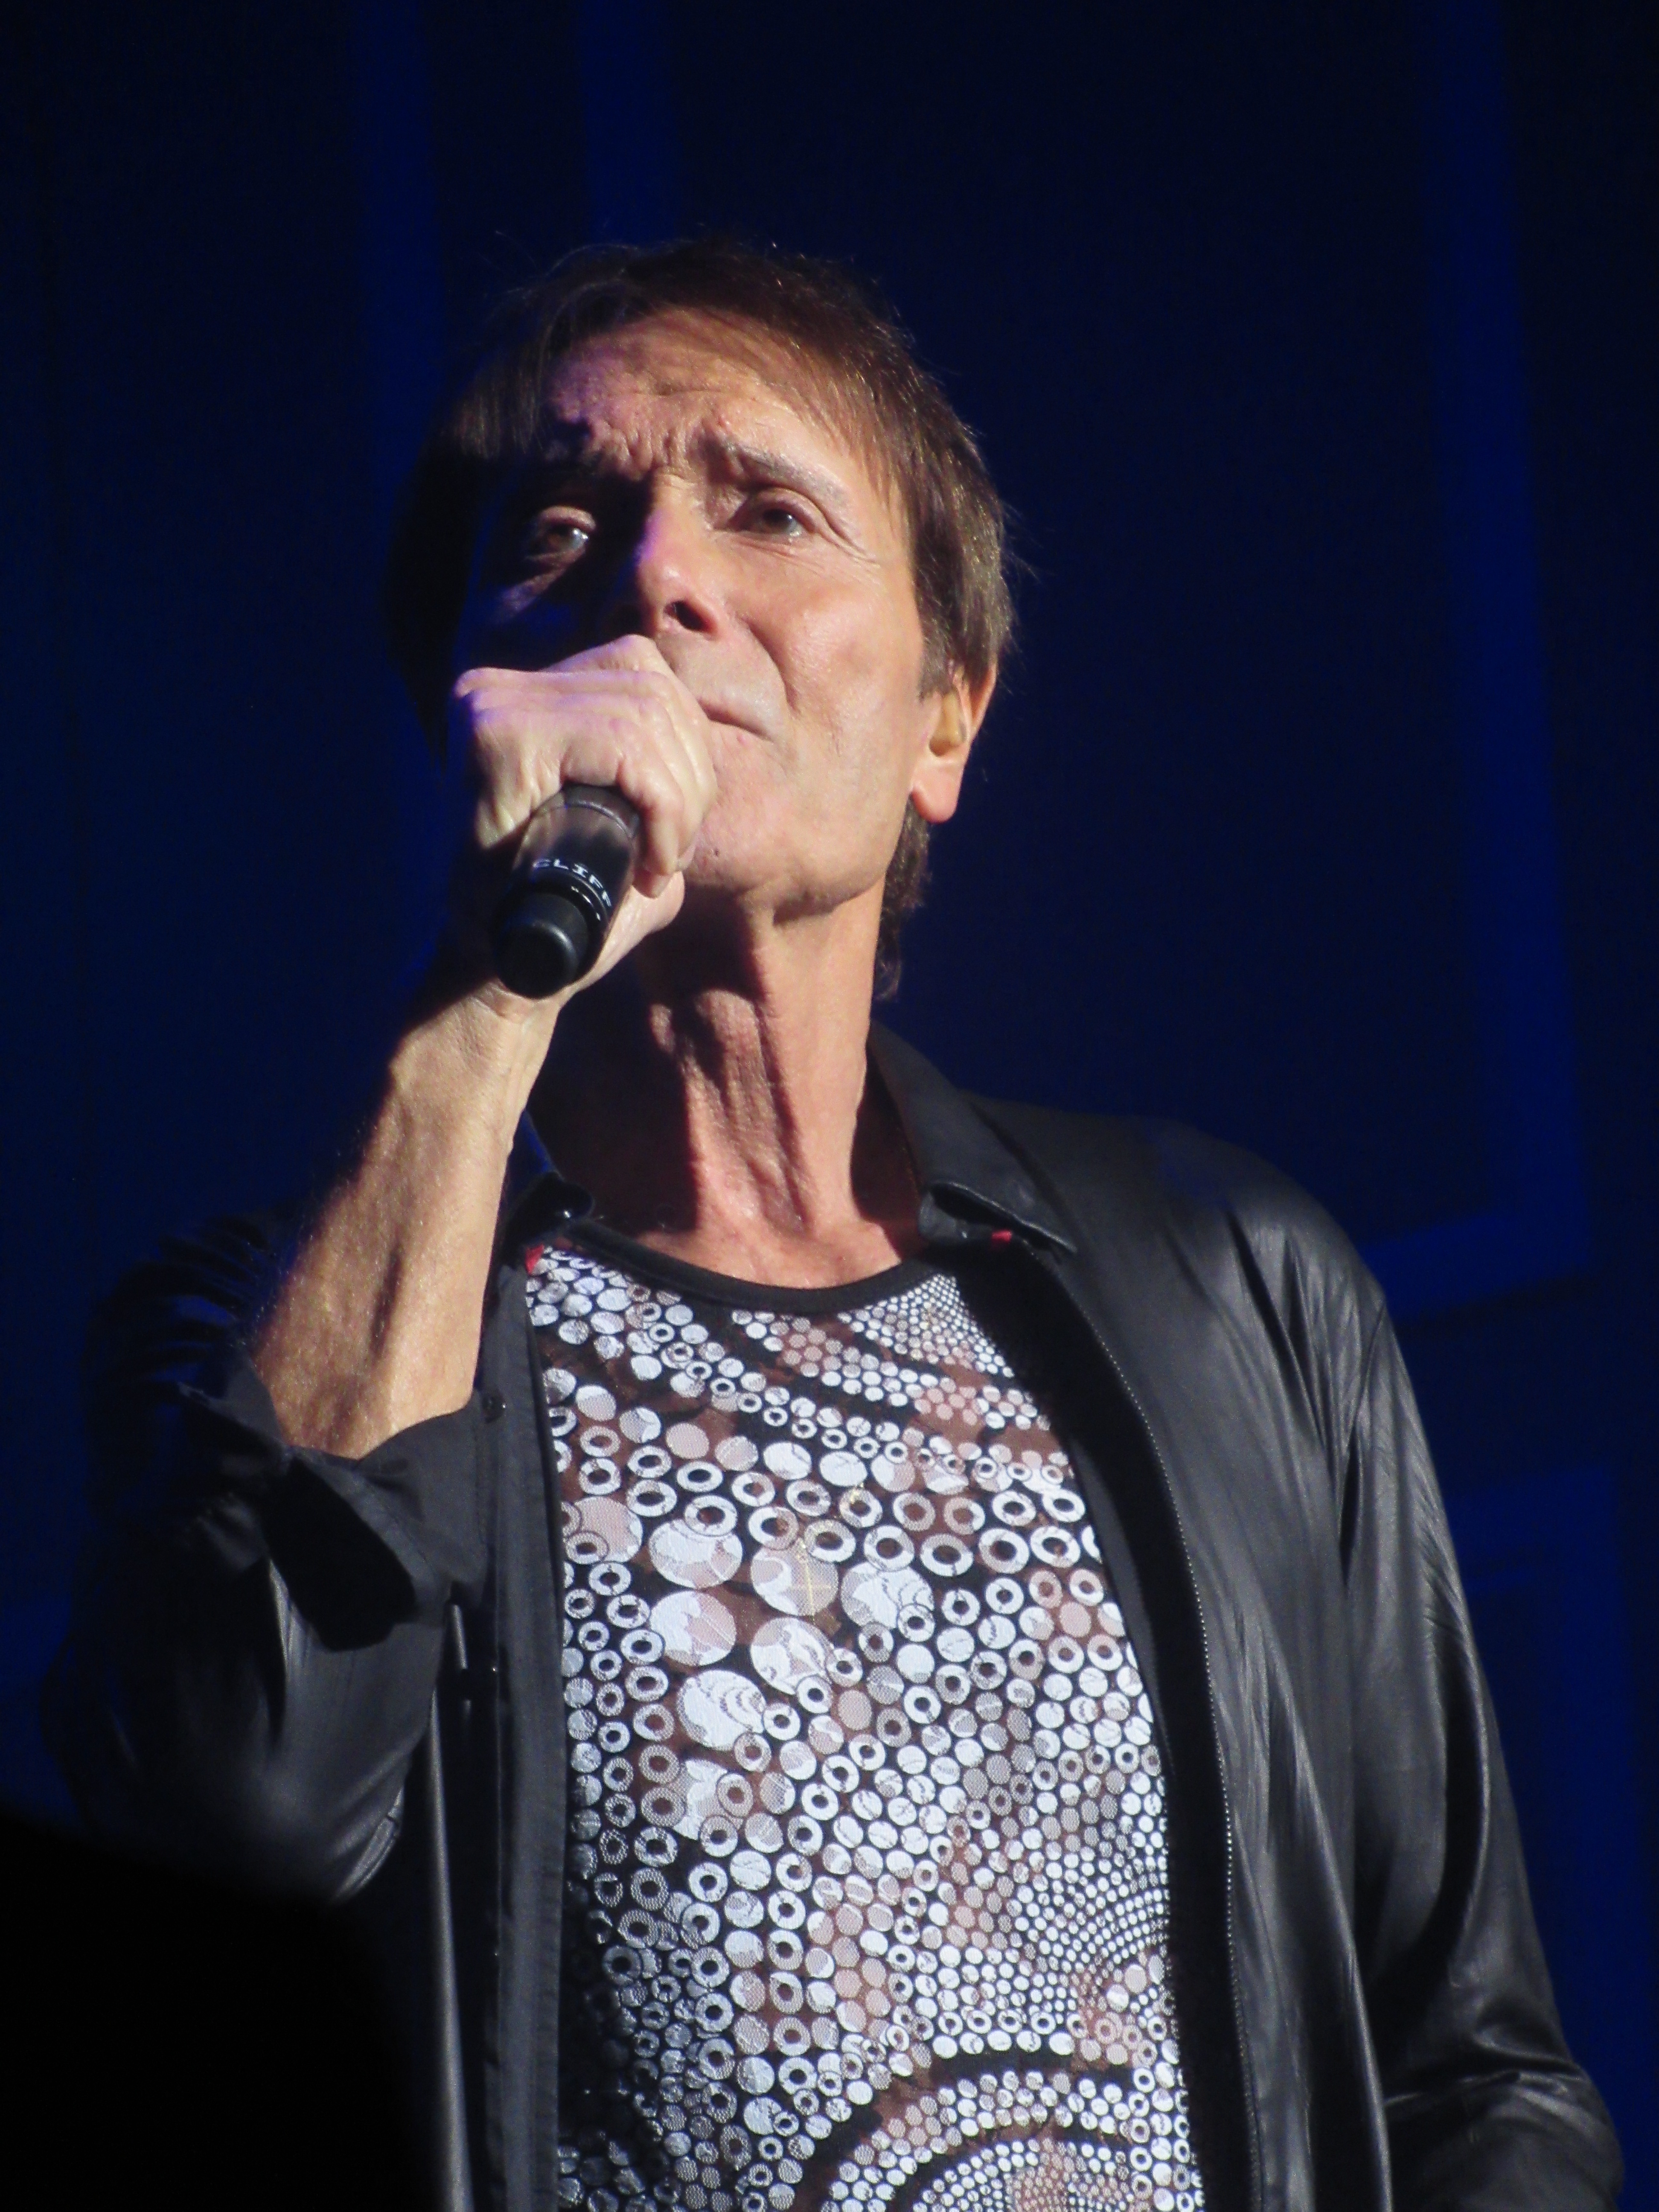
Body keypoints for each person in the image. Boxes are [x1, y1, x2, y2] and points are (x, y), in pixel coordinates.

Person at [47, 240, 1620, 2212]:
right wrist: (479, 998)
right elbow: (235, 1805)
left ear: (946, 722)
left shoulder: (1229, 1276)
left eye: (769, 512)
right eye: (560, 532)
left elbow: (1474, 2074)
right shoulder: (257, 1332)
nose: (657, 580)